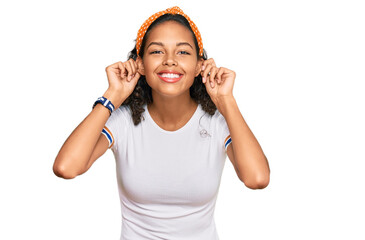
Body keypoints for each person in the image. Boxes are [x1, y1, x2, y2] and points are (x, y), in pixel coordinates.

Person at [53, 6, 270, 239]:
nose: (170, 61)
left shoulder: (216, 123)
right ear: (140, 65)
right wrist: (113, 96)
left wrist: (226, 102)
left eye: (183, 52)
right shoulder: (123, 122)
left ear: (200, 66)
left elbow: (256, 178)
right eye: (157, 51)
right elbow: (67, 167)